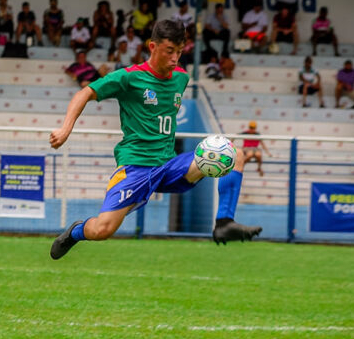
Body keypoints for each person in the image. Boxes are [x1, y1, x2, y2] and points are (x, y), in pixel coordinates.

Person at [48, 19, 262, 260]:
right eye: (169, 51)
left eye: (179, 52)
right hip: (135, 168)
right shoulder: (128, 78)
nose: (175, 58)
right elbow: (84, 93)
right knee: (103, 230)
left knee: (235, 155)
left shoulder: (181, 77)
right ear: (152, 47)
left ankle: (224, 222)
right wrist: (66, 129)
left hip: (168, 166)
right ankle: (75, 232)